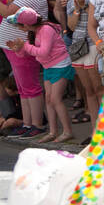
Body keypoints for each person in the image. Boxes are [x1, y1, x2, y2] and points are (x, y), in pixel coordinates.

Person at [5, 8, 75, 144]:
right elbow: (31, 52)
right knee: (48, 99)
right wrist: (18, 49)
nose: (18, 28)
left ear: (26, 25)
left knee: (55, 99)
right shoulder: (34, 32)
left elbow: (43, 51)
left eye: (19, 25)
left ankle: (67, 131)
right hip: (49, 66)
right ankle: (53, 132)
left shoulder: (46, 30)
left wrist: (24, 46)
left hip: (60, 65)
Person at [0, 0, 49, 139]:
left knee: (30, 87)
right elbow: (10, 4)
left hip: (22, 46)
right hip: (14, 46)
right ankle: (28, 123)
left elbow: (7, 12)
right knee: (23, 88)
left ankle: (36, 124)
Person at [63, 0, 102, 126]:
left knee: (99, 89)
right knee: (89, 92)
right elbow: (71, 26)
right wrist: (78, 7)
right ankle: (95, 132)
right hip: (78, 45)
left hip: (94, 43)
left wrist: (84, 4)